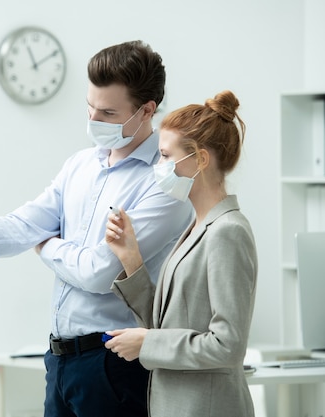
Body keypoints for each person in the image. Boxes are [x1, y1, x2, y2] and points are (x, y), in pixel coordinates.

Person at [0, 40, 194, 417]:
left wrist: (45, 246)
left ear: (147, 110)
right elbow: (20, 227)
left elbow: (100, 272)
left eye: (109, 112)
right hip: (59, 361)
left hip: (114, 367)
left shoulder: (164, 184)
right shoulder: (79, 165)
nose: (94, 120)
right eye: (90, 107)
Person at [103, 90, 257, 417]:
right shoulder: (197, 227)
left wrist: (147, 345)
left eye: (165, 156)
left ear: (200, 160)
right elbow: (168, 323)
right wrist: (131, 257)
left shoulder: (227, 232)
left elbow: (227, 345)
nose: (158, 167)